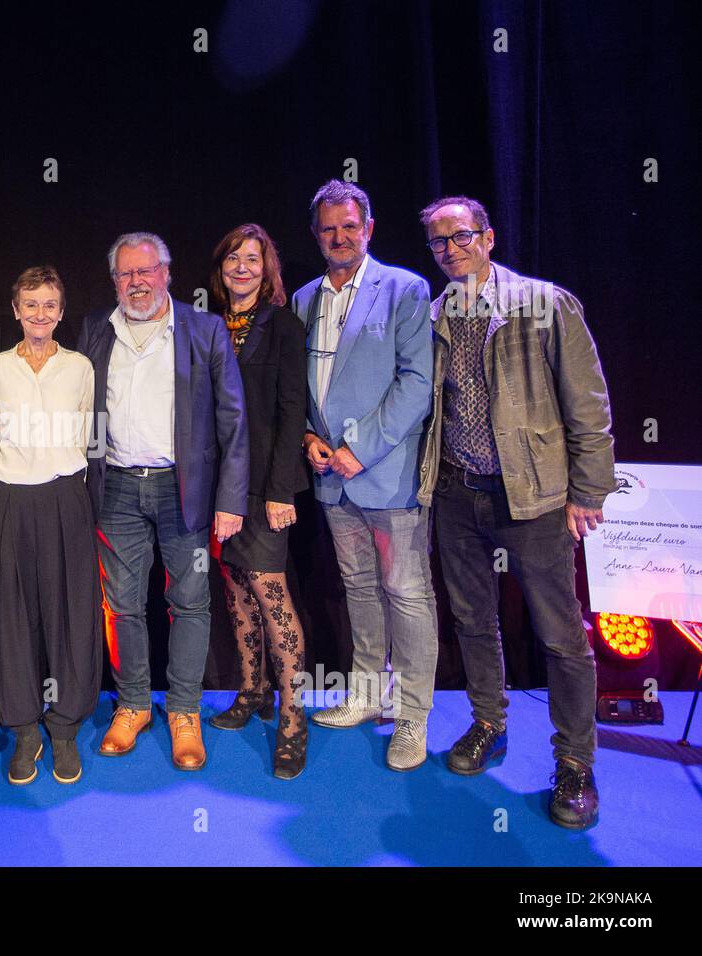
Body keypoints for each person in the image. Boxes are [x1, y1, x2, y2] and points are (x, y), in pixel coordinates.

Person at [416, 195, 613, 828]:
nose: (451, 249)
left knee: (559, 635)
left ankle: (576, 761)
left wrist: (589, 490)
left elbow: (588, 404)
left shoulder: (544, 303)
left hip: (532, 497)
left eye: (461, 236)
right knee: (473, 621)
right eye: (439, 241)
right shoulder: (436, 313)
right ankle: (488, 722)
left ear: (489, 237)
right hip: (458, 491)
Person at [79, 231, 249, 771]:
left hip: (186, 490)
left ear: (167, 274)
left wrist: (230, 499)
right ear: (114, 281)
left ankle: (183, 711)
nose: (137, 282)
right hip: (118, 490)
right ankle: (132, 705)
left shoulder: (204, 330)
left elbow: (233, 420)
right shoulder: (93, 331)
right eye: (126, 274)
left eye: (146, 271)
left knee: (191, 603)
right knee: (122, 604)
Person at [290, 180, 437, 771]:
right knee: (358, 588)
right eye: (329, 228)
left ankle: (412, 717)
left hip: (385, 473)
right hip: (331, 479)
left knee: (407, 592)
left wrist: (360, 447)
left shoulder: (404, 289)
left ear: (368, 228)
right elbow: (295, 384)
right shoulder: (303, 299)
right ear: (316, 235)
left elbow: (417, 383)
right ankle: (368, 694)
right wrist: (307, 434)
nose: (340, 236)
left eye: (350, 226)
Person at [0, 266, 100, 785]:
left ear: (60, 310)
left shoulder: (79, 368)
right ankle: (25, 728)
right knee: (13, 615)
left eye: (49, 305)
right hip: (11, 499)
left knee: (69, 613)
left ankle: (65, 727)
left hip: (64, 499)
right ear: (15, 310)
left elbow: (87, 436)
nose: (39, 314)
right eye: (30, 305)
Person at [206, 224, 312, 779]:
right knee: (236, 588)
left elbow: (293, 409)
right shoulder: (210, 326)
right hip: (219, 486)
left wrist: (278, 491)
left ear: (267, 267)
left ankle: (295, 722)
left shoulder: (285, 326)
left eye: (253, 259)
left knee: (272, 595)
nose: (242, 267)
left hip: (265, 485)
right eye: (233, 259)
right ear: (221, 268)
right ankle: (254, 693)